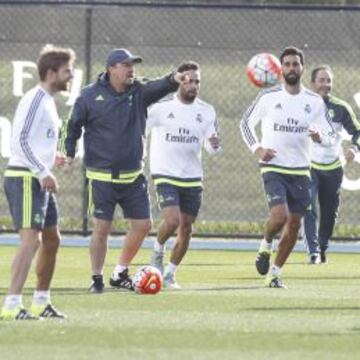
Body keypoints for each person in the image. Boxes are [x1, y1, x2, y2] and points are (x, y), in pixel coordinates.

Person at [60, 48, 187, 293]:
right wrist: (68, 152)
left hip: (133, 178)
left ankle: (119, 273)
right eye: (126, 65)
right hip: (101, 178)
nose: (132, 69)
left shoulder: (138, 91)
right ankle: (96, 278)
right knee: (102, 228)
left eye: (133, 65)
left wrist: (174, 79)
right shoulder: (89, 95)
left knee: (143, 225)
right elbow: (72, 126)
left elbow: (159, 85)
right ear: (111, 69)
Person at [240, 46, 335, 288]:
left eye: (296, 64)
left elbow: (329, 133)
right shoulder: (268, 97)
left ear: (302, 68)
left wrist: (319, 137)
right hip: (273, 167)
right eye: (288, 64)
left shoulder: (314, 101)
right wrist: (257, 149)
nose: (292, 68)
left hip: (301, 170)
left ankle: (274, 273)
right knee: (280, 216)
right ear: (280, 69)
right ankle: (266, 242)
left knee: (294, 224)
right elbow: (246, 123)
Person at [0, 45, 75, 320]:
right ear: (51, 72)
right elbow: (18, 141)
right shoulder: (35, 98)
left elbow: (33, 141)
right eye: (67, 71)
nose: (71, 76)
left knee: (52, 240)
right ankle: (11, 304)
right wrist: (43, 171)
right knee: (31, 242)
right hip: (25, 177)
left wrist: (52, 159)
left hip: (38, 177)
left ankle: (41, 301)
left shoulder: (48, 101)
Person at [148, 61, 221, 289]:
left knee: (186, 228)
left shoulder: (206, 111)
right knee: (172, 221)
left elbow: (213, 148)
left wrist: (214, 144)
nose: (193, 85)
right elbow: (141, 131)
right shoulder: (160, 109)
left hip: (192, 177)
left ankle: (170, 274)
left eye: (197, 81)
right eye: (189, 80)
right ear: (180, 81)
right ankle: (157, 250)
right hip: (165, 173)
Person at [303, 65, 360, 264]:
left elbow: (358, 132)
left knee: (329, 213)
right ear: (312, 83)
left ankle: (322, 246)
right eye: (322, 80)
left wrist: (354, 148)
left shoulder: (341, 107)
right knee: (308, 207)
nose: (326, 85)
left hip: (333, 169)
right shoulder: (302, 106)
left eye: (329, 81)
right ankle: (313, 251)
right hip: (308, 167)